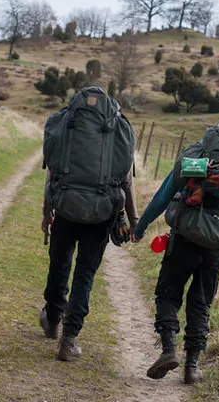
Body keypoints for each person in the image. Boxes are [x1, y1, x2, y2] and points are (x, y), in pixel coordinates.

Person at [132, 117, 219, 385]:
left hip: (185, 238)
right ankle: (192, 366)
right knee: (201, 304)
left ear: (213, 133)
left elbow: (164, 195)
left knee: (168, 292)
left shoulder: (196, 154)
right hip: (217, 247)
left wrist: (141, 227)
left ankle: (168, 349)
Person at [38, 86, 138, 362]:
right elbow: (127, 180)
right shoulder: (120, 127)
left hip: (66, 207)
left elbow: (52, 173)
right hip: (102, 213)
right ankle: (69, 340)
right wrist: (134, 220)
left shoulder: (64, 122)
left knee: (59, 263)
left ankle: (54, 318)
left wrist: (47, 213)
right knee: (85, 274)